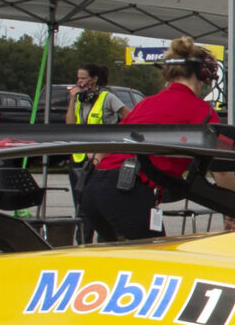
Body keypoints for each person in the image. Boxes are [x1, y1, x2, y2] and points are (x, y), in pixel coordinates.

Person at [79, 40, 217, 243]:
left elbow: (107, 146)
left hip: (95, 190)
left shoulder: (145, 104)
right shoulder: (203, 112)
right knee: (156, 255)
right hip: (128, 191)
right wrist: (232, 214)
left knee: (117, 256)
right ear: (202, 74)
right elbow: (222, 170)